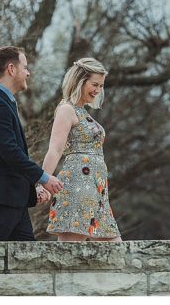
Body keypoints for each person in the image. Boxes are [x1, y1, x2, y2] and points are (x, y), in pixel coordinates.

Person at [0, 46, 63, 241]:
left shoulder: (3, 101)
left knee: (28, 258)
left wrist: (31, 190)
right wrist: (44, 178)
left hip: (12, 199)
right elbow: (10, 152)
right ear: (11, 69)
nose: (28, 73)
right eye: (25, 67)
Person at [40, 57, 121, 241]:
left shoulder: (83, 112)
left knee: (117, 250)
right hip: (77, 189)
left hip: (97, 192)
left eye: (101, 86)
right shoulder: (66, 109)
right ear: (79, 81)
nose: (98, 90)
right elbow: (55, 149)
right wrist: (42, 182)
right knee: (69, 252)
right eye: (94, 84)